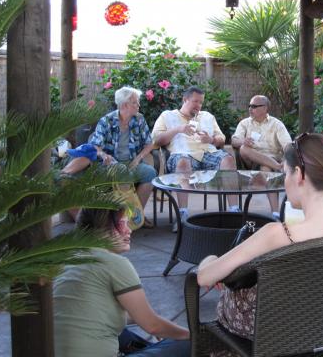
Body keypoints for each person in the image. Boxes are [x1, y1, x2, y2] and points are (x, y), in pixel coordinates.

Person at [196, 133, 323, 342]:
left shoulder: (276, 234)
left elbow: (204, 277)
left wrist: (210, 259)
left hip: (275, 332)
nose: (285, 180)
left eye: (286, 173)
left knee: (229, 292)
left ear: (299, 174)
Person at [53, 208, 190, 356]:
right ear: (102, 228)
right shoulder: (113, 263)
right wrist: (192, 335)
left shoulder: (69, 260)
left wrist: (153, 323)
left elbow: (99, 315)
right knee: (188, 342)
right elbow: (153, 326)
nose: (129, 230)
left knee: (124, 334)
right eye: (122, 224)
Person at [61, 86, 156, 223]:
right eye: (135, 102)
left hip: (132, 162)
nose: (138, 105)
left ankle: (136, 216)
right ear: (124, 105)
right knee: (121, 171)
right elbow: (95, 145)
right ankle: (119, 220)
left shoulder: (139, 119)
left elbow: (149, 143)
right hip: (110, 164)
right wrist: (104, 155)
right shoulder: (106, 121)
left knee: (150, 173)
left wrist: (138, 159)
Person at [151, 86, 236, 228]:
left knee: (228, 159)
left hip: (207, 153)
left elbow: (221, 138)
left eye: (201, 102)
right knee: (183, 162)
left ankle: (234, 210)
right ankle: (182, 214)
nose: (198, 106)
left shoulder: (207, 117)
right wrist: (178, 129)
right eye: (195, 101)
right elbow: (157, 140)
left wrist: (211, 140)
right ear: (185, 99)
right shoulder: (167, 116)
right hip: (181, 153)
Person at [231, 95, 292, 213]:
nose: (250, 109)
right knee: (243, 148)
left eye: (254, 106)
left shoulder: (276, 124)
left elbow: (287, 145)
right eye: (249, 106)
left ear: (265, 108)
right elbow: (234, 141)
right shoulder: (245, 123)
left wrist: (287, 158)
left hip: (271, 159)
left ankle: (275, 212)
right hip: (249, 161)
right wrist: (243, 141)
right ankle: (278, 167)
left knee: (266, 168)